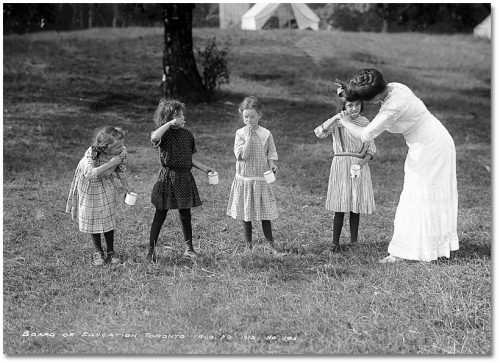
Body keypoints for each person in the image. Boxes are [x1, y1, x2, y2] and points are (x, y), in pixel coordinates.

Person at [336, 68, 458, 263]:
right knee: (417, 193)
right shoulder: (395, 87)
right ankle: (419, 247)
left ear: (374, 98)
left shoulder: (393, 105)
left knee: (420, 194)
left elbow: (366, 134)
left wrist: (345, 121)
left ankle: (413, 250)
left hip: (433, 145)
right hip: (425, 143)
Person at [147, 98, 215, 263]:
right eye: (177, 115)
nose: (182, 118)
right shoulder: (164, 134)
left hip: (184, 177)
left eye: (181, 114)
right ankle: (150, 252)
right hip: (168, 177)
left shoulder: (187, 135)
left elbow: (189, 158)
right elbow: (154, 136)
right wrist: (169, 124)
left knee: (185, 214)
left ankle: (189, 249)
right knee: (160, 214)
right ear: (168, 119)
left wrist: (204, 167)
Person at [315, 96, 376, 252]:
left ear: (362, 105)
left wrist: (360, 165)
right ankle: (335, 243)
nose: (354, 108)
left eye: (357, 105)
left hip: (358, 166)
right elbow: (319, 132)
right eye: (350, 105)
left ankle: (354, 242)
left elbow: (370, 150)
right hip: (340, 165)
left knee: (355, 205)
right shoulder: (337, 122)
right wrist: (337, 117)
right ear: (344, 107)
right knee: (340, 205)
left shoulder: (365, 123)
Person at [66, 126, 131, 266]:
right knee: (93, 216)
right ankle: (99, 252)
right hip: (89, 183)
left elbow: (121, 169)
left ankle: (111, 252)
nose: (121, 148)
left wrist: (126, 187)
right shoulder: (92, 153)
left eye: (122, 144)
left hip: (105, 181)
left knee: (107, 215)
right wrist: (111, 163)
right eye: (117, 146)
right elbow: (90, 174)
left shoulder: (122, 152)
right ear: (106, 147)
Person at [226, 96, 282, 254]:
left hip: (260, 179)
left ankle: (271, 245)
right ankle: (248, 245)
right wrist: (250, 137)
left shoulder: (266, 133)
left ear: (260, 115)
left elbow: (271, 152)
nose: (249, 120)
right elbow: (242, 156)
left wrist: (272, 163)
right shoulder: (240, 134)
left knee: (266, 215)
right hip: (246, 180)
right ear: (241, 115)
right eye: (246, 116)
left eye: (252, 116)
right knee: (247, 215)